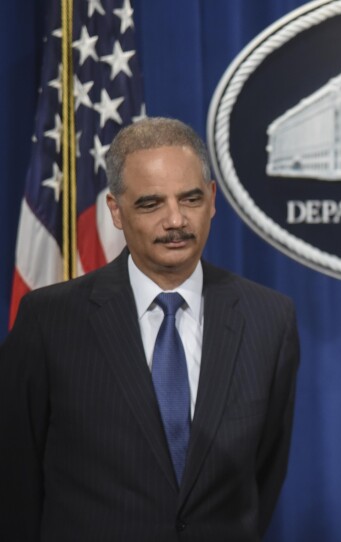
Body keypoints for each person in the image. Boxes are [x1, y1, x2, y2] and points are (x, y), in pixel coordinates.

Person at [0, 117, 300, 540]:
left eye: (190, 199)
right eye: (151, 203)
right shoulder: (49, 320)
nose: (175, 220)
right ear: (116, 210)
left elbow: (264, 473)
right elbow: (14, 479)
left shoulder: (270, 319)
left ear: (212, 199)